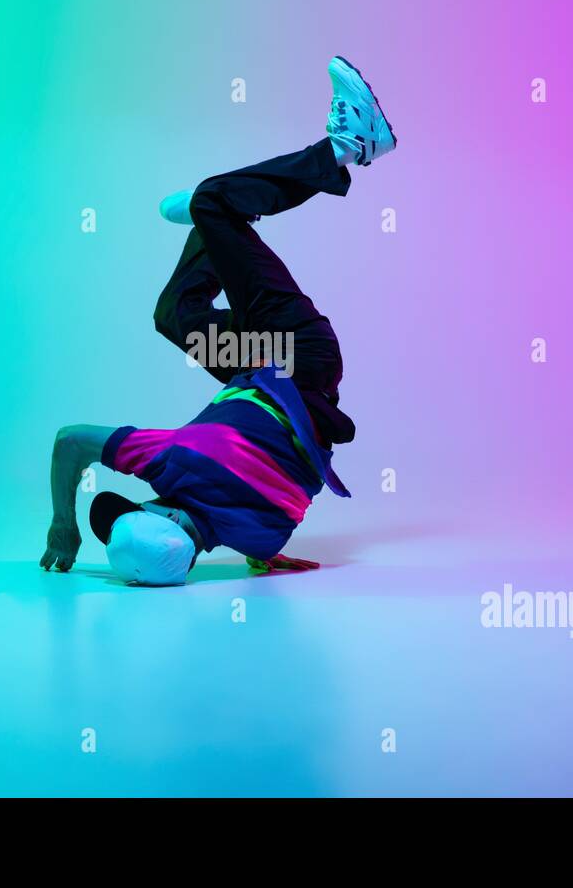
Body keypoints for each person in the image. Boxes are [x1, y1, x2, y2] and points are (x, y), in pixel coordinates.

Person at [39, 57, 396, 586]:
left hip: (258, 367)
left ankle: (222, 224)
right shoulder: (172, 462)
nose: (144, 499)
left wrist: (260, 555)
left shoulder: (261, 537)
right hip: (295, 353)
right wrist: (62, 525)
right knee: (212, 198)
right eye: (141, 507)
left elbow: (272, 515)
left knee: (174, 315)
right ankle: (351, 146)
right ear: (165, 515)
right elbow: (70, 442)